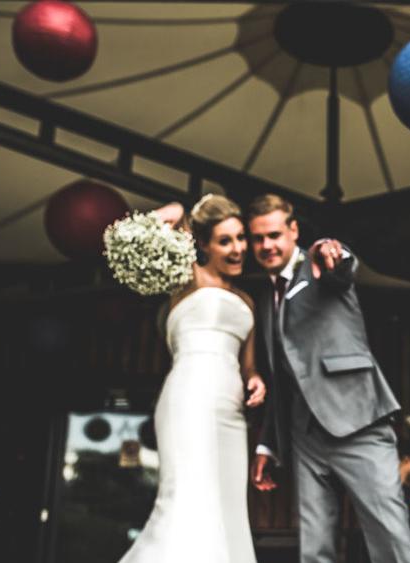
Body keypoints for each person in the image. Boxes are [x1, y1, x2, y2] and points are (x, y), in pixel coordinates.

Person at [245, 194, 410, 563]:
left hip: (358, 421)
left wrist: (330, 251)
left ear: (293, 231)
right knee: (315, 547)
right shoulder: (265, 298)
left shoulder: (318, 264)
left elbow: (341, 267)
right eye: (258, 238)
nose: (267, 245)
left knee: (391, 538)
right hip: (303, 436)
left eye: (274, 234)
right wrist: (267, 444)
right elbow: (283, 376)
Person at [118, 194, 266, 563]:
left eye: (241, 238)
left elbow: (248, 364)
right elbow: (153, 224)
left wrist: (256, 380)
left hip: (231, 414)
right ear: (202, 245)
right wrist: (182, 213)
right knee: (189, 499)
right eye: (225, 241)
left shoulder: (248, 301)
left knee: (229, 509)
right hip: (190, 399)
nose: (238, 249)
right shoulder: (187, 278)